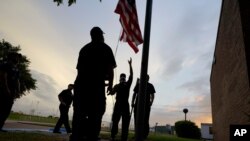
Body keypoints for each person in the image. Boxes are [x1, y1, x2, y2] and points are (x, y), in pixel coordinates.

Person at [70, 26, 117, 141]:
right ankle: (92, 136)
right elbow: (110, 70)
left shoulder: (84, 49)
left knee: (79, 114)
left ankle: (76, 136)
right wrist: (110, 85)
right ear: (100, 35)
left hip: (81, 86)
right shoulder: (106, 48)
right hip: (96, 87)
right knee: (96, 113)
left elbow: (79, 71)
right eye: (102, 35)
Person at [108, 58, 133, 141]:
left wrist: (130, 65)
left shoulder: (127, 84)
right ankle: (113, 136)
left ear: (125, 78)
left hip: (125, 105)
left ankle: (124, 138)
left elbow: (131, 75)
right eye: (121, 77)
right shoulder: (117, 86)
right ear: (120, 78)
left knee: (125, 123)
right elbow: (112, 92)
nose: (123, 78)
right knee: (115, 121)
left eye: (124, 77)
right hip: (118, 104)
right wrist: (110, 91)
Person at [0, 52, 21, 132]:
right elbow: (3, 76)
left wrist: (18, 91)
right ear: (11, 57)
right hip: (3, 89)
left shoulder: (17, 68)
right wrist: (6, 88)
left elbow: (17, 80)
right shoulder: (6, 64)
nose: (18, 59)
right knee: (1, 107)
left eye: (18, 57)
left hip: (12, 91)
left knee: (7, 109)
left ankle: (0, 126)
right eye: (16, 57)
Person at [131, 74, 155, 139]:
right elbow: (134, 94)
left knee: (145, 120)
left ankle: (145, 135)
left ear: (148, 79)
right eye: (145, 77)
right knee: (136, 119)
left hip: (147, 105)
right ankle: (137, 134)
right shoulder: (138, 84)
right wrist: (132, 102)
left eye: (147, 78)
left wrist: (151, 102)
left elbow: (152, 95)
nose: (146, 78)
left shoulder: (150, 85)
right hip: (137, 104)